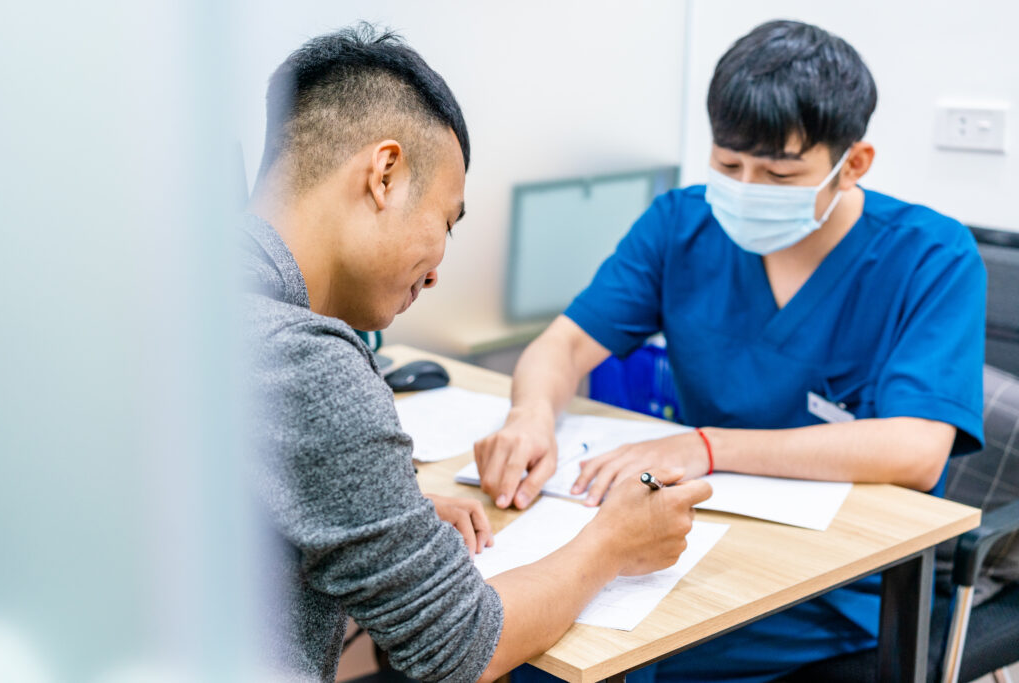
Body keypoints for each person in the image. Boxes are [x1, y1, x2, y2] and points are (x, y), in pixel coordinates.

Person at [476, 19, 986, 683]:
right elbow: (565, 345)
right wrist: (529, 414)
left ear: (852, 163)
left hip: (834, 584)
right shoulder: (681, 225)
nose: (745, 189)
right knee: (534, 627)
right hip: (681, 539)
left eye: (778, 172)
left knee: (591, 654)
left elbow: (917, 451)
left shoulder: (932, 257)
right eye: (727, 166)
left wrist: (707, 445)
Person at [242, 24, 712, 683]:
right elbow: (460, 647)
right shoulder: (309, 363)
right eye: (446, 220)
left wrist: (385, 524)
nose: (435, 273)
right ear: (384, 174)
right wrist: (611, 543)